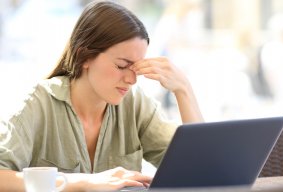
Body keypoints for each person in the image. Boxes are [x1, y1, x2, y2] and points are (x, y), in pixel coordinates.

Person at [0, 0, 203, 191]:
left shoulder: (135, 103)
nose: (132, 80)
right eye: (122, 66)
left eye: (136, 68)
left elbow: (199, 168)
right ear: (85, 56)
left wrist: (183, 89)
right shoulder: (37, 104)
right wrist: (83, 181)